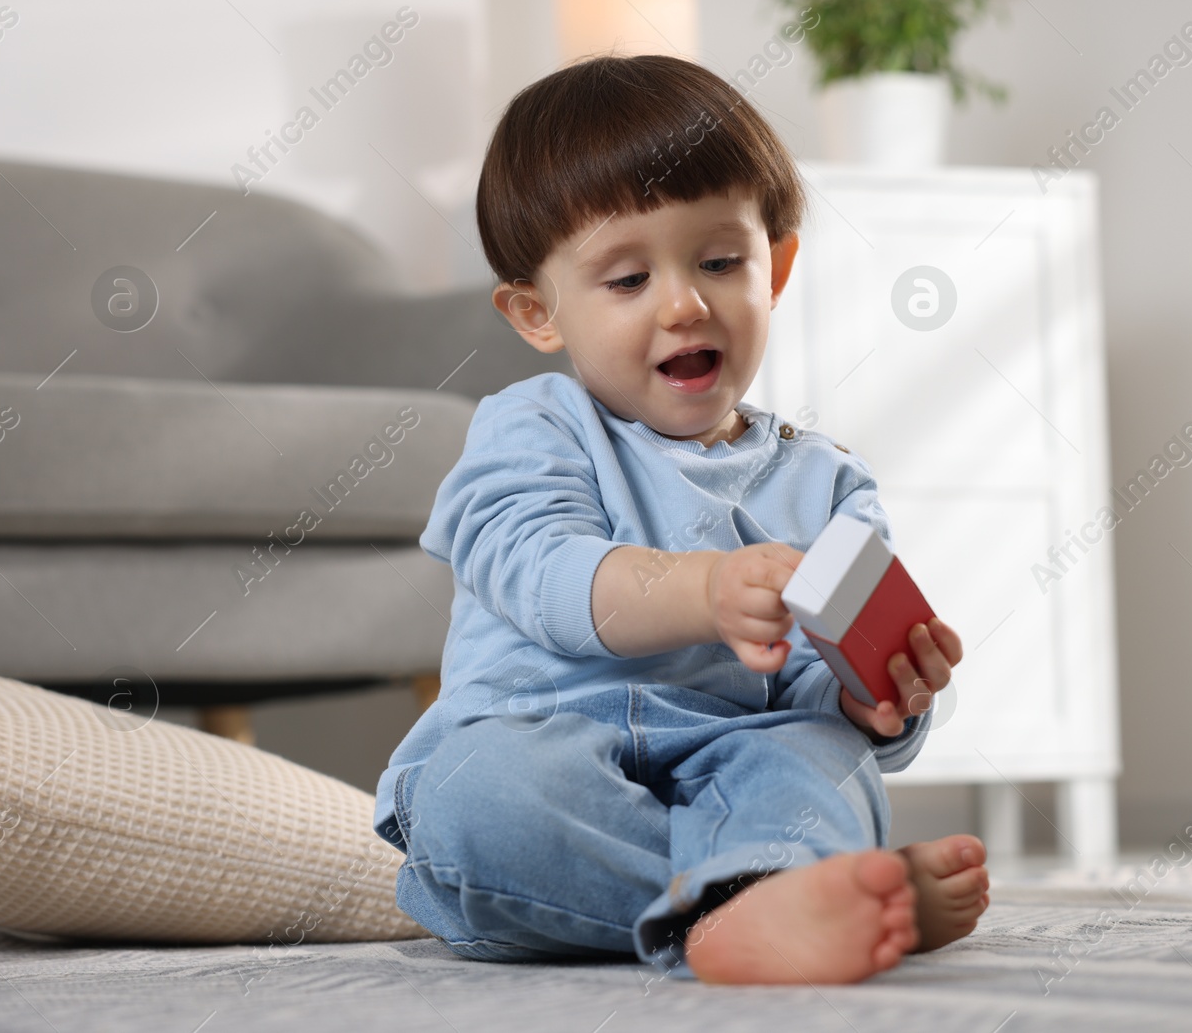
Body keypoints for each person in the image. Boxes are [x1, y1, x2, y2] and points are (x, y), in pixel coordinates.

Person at [373, 53, 989, 985]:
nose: (684, 302)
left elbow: (826, 704)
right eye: (626, 280)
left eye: (719, 261)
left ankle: (774, 887)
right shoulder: (530, 425)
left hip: (735, 753)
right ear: (538, 311)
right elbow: (540, 574)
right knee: (477, 799)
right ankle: (761, 898)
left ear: (774, 267)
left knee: (820, 763)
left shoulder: (829, 484)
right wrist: (703, 590)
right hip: (545, 741)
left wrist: (878, 701)